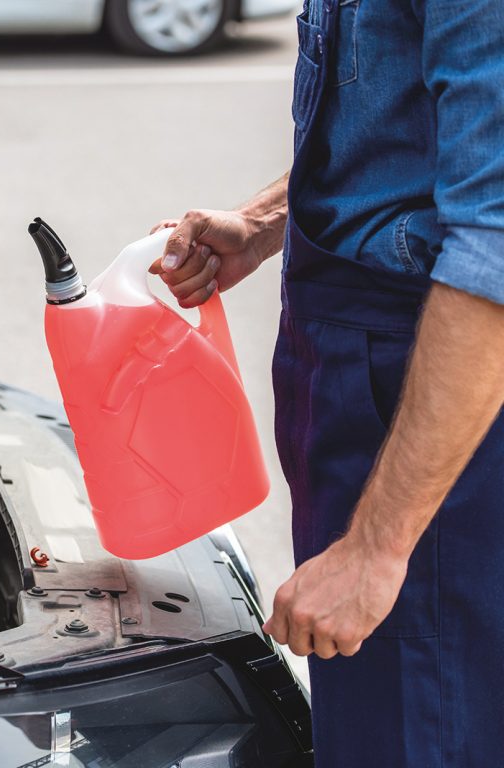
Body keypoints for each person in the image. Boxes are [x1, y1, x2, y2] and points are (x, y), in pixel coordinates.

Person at [148, 0, 504, 764]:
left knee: (422, 730)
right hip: (361, 379)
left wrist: (376, 549)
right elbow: (401, 127)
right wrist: (266, 220)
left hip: (431, 409)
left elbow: (495, 254)